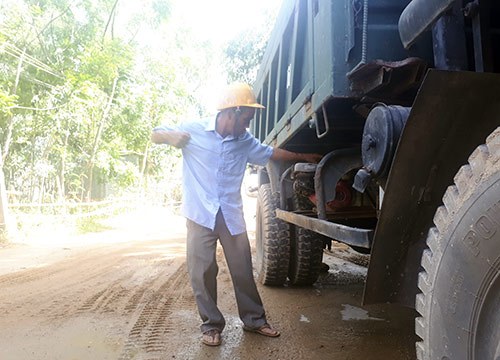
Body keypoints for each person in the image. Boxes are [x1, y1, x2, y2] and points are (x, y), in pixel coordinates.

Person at [151, 83, 322, 347]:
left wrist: (303, 156)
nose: (247, 126)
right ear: (233, 112)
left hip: (230, 215)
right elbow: (155, 133)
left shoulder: (245, 141)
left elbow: (270, 153)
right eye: (246, 120)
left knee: (242, 269)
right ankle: (211, 325)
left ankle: (254, 320)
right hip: (200, 216)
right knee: (202, 272)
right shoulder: (194, 130)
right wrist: (169, 137)